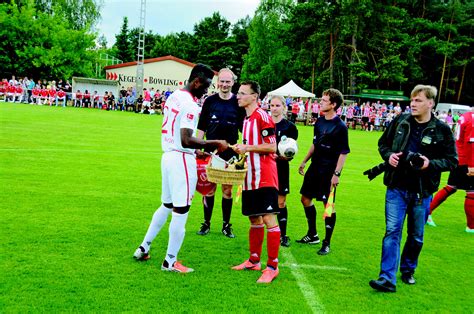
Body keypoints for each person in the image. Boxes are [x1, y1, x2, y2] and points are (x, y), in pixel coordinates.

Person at [133, 64, 228, 273]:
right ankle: (170, 261)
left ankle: (144, 247)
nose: (208, 89)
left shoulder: (175, 95)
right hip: (181, 160)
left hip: (168, 156)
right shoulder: (191, 105)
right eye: (207, 85)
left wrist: (200, 147)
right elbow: (186, 140)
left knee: (166, 204)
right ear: (196, 82)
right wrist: (214, 143)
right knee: (181, 209)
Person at [369, 85, 457, 293]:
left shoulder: (442, 129)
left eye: (418, 100)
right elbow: (383, 144)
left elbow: (452, 160)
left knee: (416, 235)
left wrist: (430, 164)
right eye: (412, 100)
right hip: (396, 187)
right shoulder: (400, 121)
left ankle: (408, 270)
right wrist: (388, 155)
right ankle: (386, 277)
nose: (413, 104)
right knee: (392, 231)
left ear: (430, 103)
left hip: (422, 191)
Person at [231, 80, 280, 284]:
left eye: (243, 93)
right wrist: (240, 152)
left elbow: (272, 147)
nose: (238, 96)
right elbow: (250, 146)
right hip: (250, 178)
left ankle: (272, 267)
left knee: (269, 219)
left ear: (254, 97)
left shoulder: (263, 116)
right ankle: (254, 260)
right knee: (254, 219)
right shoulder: (246, 119)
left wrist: (247, 148)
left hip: (265, 177)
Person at [297, 88, 350, 255]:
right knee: (305, 199)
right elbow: (315, 144)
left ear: (333, 105)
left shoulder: (341, 127)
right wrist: (304, 161)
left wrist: (337, 174)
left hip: (329, 171)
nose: (320, 103)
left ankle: (327, 242)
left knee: (328, 205)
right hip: (315, 167)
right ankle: (313, 234)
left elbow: (344, 152)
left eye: (324, 100)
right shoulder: (319, 122)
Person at [195, 68, 245, 238]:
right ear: (217, 83)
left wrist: (244, 147)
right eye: (222, 81)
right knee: (209, 189)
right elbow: (201, 126)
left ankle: (226, 225)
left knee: (228, 190)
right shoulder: (210, 101)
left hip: (230, 153)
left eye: (228, 81)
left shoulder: (238, 102)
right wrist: (198, 146)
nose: (224, 85)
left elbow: (243, 129)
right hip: (211, 151)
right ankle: (206, 223)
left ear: (233, 82)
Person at [427, 106, 473, 233]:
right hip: (466, 160)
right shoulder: (472, 120)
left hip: (458, 157)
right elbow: (470, 143)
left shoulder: (465, 116)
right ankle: (471, 227)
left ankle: (427, 213)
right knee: (471, 192)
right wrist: (471, 165)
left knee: (451, 187)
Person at [270, 95, 298, 247]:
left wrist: (280, 157)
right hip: (266, 168)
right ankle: (269, 232)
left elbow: (290, 154)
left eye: (277, 105)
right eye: (272, 105)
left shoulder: (290, 127)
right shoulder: (264, 124)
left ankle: (283, 234)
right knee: (266, 201)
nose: (274, 108)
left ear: (283, 107)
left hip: (281, 168)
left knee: (281, 202)